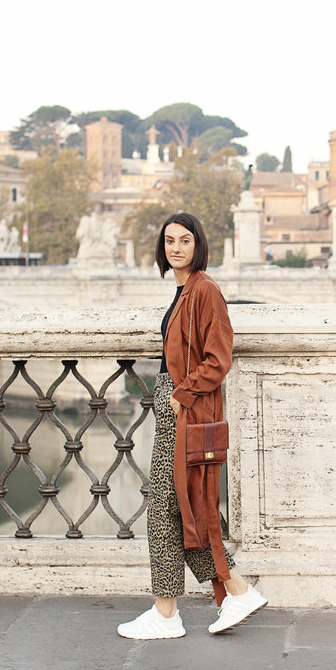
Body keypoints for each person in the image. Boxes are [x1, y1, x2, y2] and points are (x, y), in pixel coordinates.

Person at [117, 212, 266, 639]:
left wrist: (179, 396)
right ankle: (234, 592)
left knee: (167, 510)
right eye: (169, 241)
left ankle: (169, 613)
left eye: (185, 240)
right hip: (178, 407)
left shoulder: (205, 291)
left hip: (188, 410)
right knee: (180, 508)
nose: (176, 247)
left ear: (198, 245)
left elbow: (219, 359)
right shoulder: (185, 291)